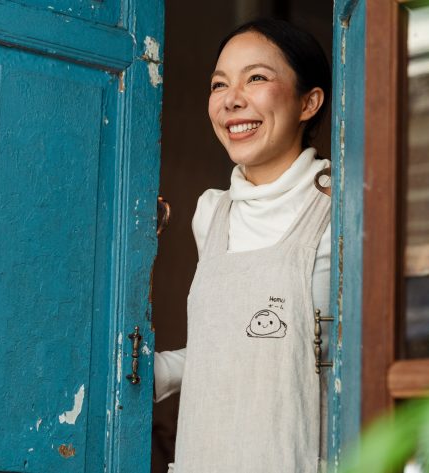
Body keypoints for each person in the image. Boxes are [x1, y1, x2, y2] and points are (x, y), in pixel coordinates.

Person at [153, 18, 332, 472]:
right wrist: (151, 372)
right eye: (219, 84)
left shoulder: (339, 209)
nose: (231, 99)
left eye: (256, 78)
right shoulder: (212, 213)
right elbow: (240, 347)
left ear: (309, 102)